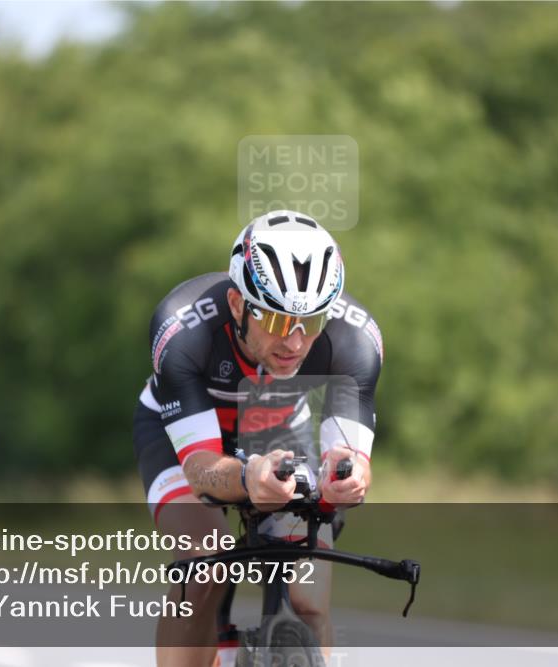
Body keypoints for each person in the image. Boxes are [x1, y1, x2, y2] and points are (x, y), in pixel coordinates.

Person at [132, 210, 384, 666]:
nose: (296, 341)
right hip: (181, 437)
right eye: (276, 319)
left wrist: (346, 479)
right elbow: (202, 468)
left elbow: (349, 452)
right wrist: (249, 478)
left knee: (309, 600)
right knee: (205, 562)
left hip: (279, 428)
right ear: (236, 305)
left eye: (312, 320)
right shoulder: (182, 330)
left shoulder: (355, 338)